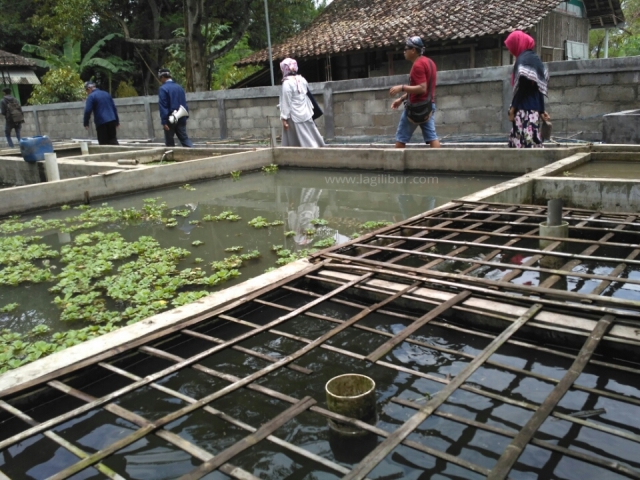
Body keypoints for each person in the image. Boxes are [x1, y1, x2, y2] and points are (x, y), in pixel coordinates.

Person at [390, 36, 440, 149]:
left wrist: (401, 87)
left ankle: (395, 164)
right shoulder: (430, 62)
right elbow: (420, 88)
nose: (404, 51)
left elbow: (422, 88)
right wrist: (401, 99)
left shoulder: (418, 65)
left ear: (413, 50)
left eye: (406, 48)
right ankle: (439, 163)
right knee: (432, 138)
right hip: (428, 107)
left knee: (400, 140)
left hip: (415, 109)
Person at [504, 30, 550, 148]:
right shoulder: (536, 60)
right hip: (533, 111)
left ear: (517, 43)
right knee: (532, 143)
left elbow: (522, 88)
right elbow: (539, 87)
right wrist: (541, 110)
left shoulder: (522, 60)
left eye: (511, 47)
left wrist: (512, 109)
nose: (510, 51)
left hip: (524, 112)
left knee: (524, 146)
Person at [279, 58, 325, 148]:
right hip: (306, 113)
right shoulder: (302, 80)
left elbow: (286, 102)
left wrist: (284, 118)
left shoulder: (287, 83)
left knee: (296, 139)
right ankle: (319, 148)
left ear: (284, 69)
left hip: (294, 116)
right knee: (312, 134)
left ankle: (301, 155)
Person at [158, 68, 193, 148]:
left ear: (163, 77)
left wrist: (164, 121)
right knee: (184, 139)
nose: (160, 80)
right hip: (181, 117)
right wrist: (185, 118)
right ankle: (196, 154)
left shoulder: (163, 89)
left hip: (170, 118)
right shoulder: (179, 88)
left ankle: (171, 156)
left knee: (169, 142)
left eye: (160, 78)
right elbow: (184, 104)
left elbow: (163, 106)